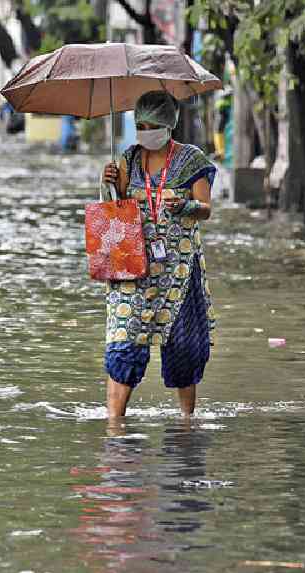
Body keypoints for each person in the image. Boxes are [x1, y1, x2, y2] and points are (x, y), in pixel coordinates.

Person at [100, 91, 217, 420]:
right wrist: (107, 183)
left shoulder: (191, 160)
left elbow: (206, 210)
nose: (145, 130)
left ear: (169, 125)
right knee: (124, 343)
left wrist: (185, 206)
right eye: (140, 124)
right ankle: (114, 426)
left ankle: (186, 423)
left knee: (184, 347)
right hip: (133, 267)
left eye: (152, 125)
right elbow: (114, 209)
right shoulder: (127, 159)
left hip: (178, 270)